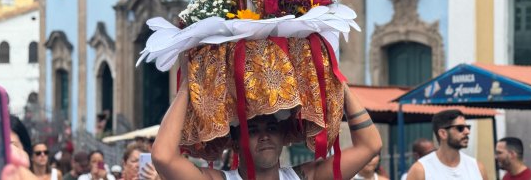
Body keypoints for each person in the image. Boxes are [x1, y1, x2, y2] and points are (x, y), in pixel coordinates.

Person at [152, 78, 382, 180]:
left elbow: (370, 146)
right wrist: (186, 88)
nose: (264, 136)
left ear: (283, 136)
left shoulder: (306, 177)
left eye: (271, 128)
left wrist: (337, 81)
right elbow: (163, 157)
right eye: (252, 131)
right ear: (234, 143)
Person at [406, 109, 488, 180]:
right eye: (460, 128)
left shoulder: (477, 167)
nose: (467, 132)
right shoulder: (421, 170)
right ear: (443, 133)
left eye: (468, 127)